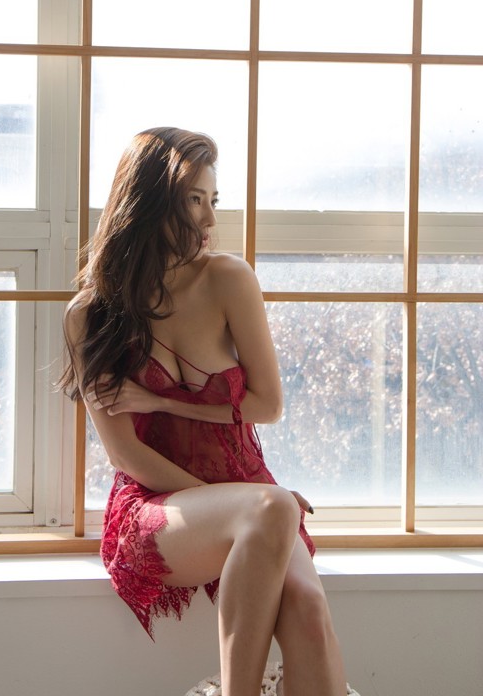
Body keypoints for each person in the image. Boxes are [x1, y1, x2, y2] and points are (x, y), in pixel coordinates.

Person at [62, 127, 348, 696]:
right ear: (148, 202)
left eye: (213, 200)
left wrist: (164, 400)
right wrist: (246, 507)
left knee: (311, 615)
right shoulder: (89, 315)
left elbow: (268, 404)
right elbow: (126, 454)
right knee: (271, 508)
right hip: (159, 506)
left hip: (250, 494)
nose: (210, 220)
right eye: (195, 200)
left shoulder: (229, 280)